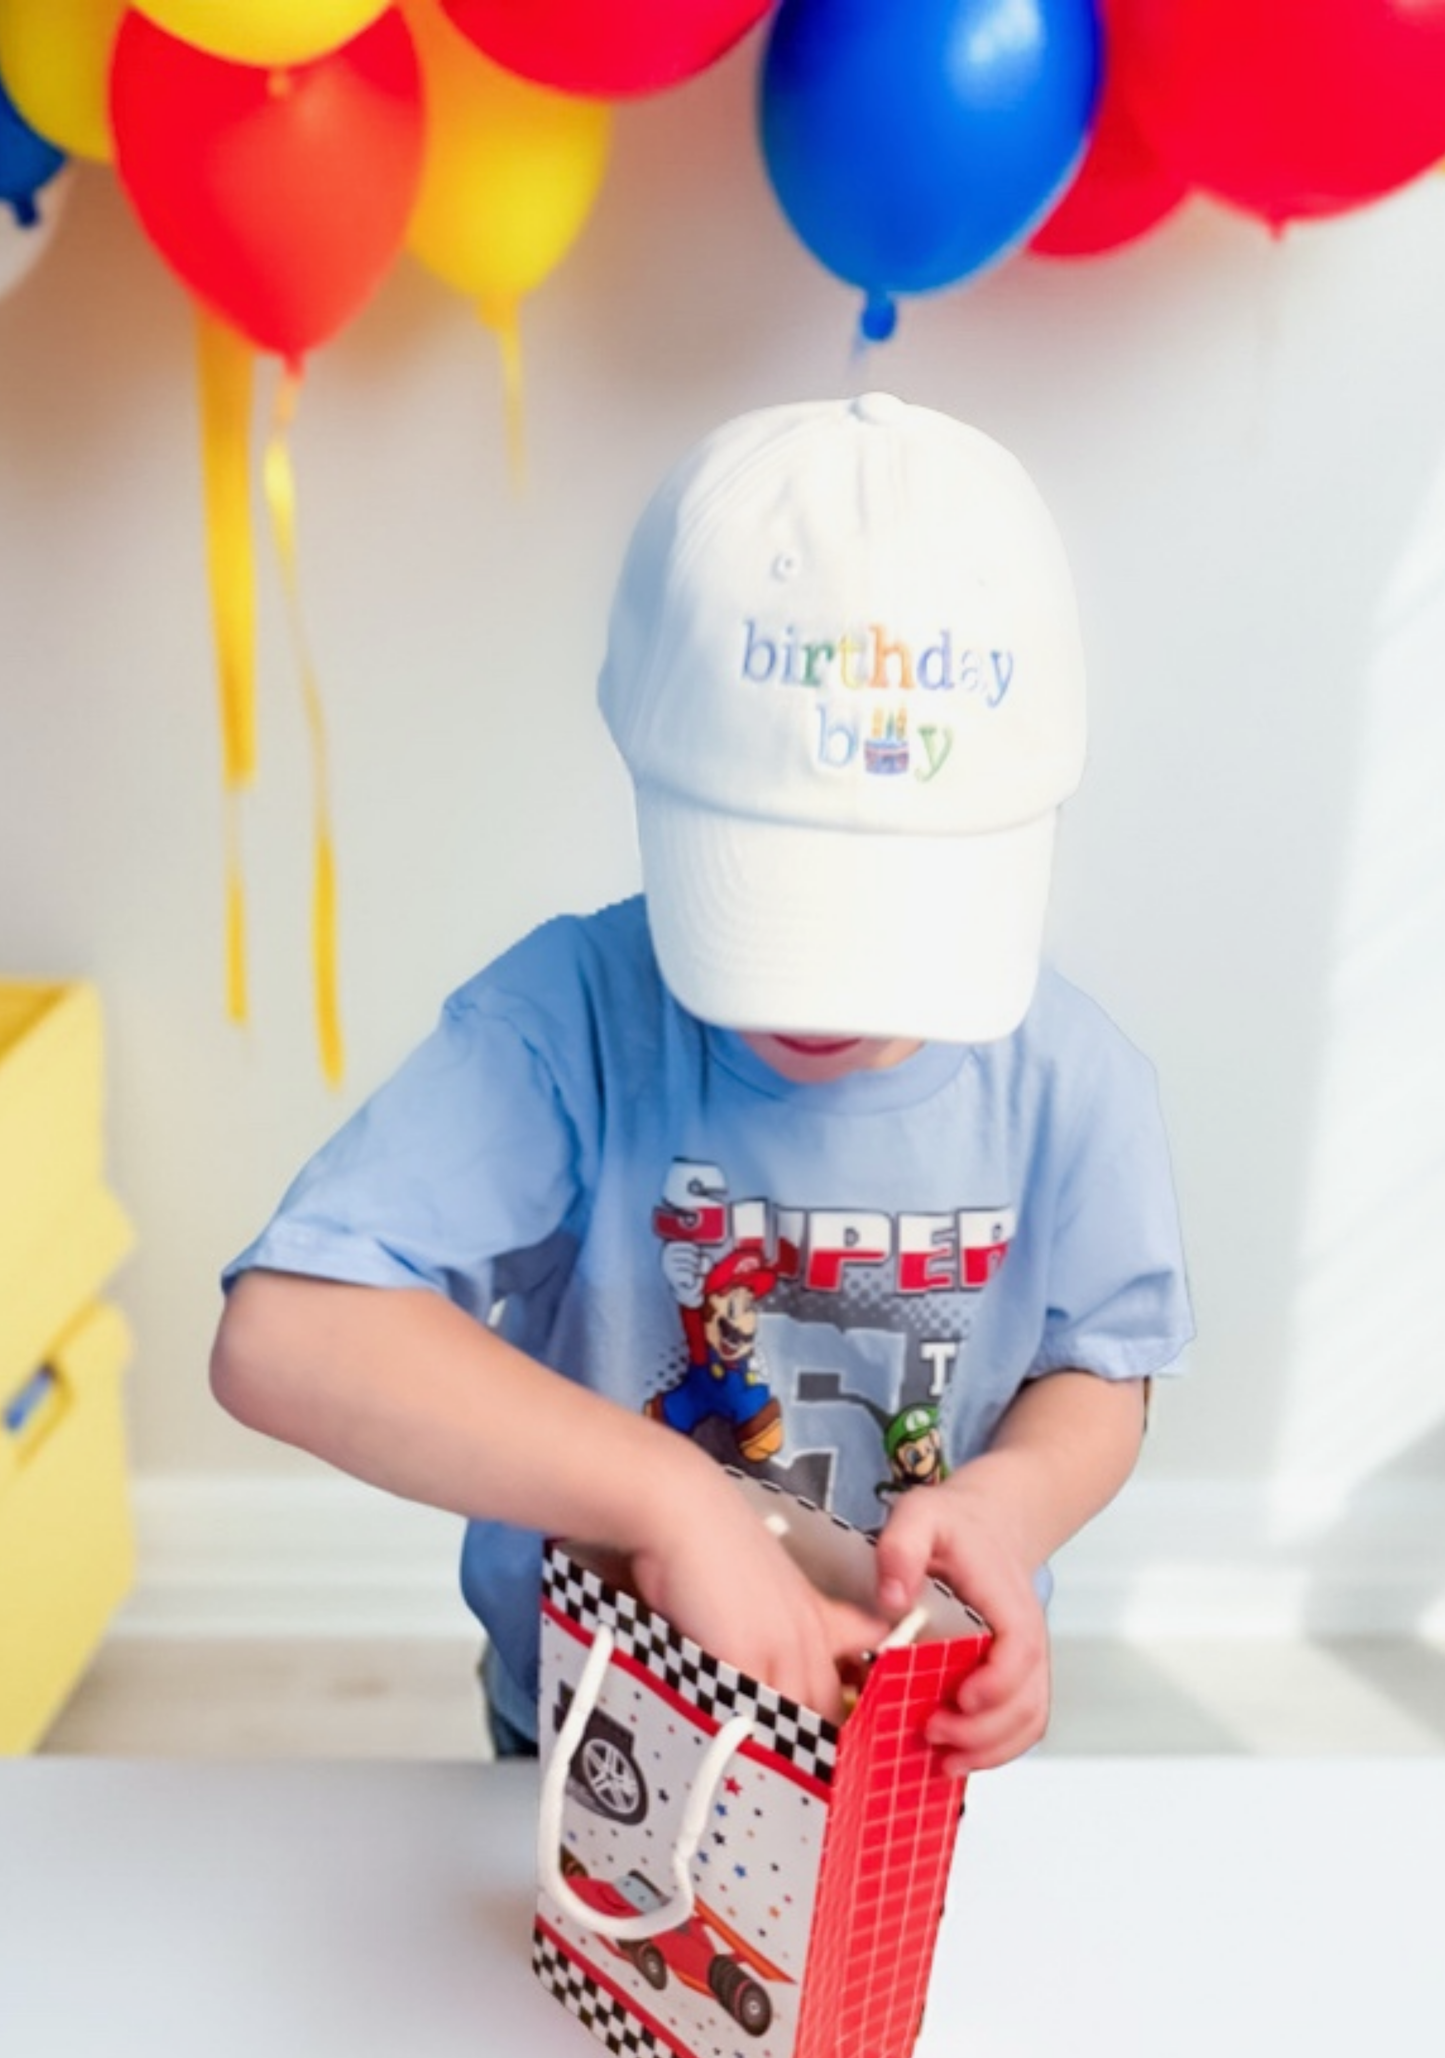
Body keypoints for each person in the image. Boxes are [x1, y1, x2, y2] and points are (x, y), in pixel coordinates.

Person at [211, 392, 1193, 1775]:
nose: (832, 996)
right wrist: (672, 1501)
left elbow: (1099, 1368)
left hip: (901, 1734)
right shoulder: (574, 1024)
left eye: (895, 918)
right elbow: (284, 1336)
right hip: (593, 1729)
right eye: (783, 909)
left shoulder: (1071, 1083)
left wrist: (1011, 1508)